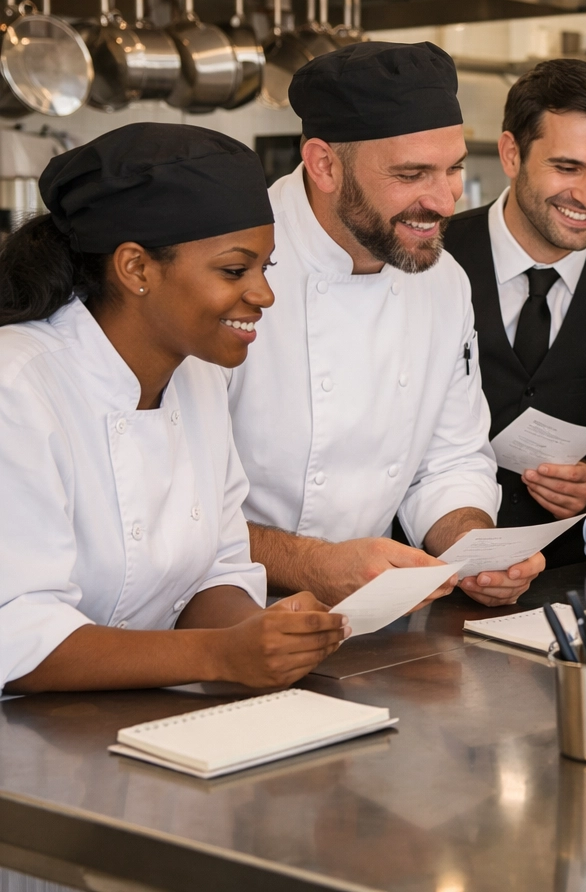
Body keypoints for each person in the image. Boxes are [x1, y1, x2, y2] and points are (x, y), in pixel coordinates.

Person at [0, 124, 346, 693]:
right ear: (136, 268)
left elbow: (218, 569)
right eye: (235, 270)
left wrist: (265, 634)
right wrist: (218, 655)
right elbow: (18, 634)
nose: (263, 294)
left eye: (267, 267)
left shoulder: (199, 379)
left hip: (130, 717)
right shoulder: (20, 387)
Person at [227, 41, 526, 608]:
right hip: (220, 614)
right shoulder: (229, 272)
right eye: (412, 174)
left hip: (372, 615)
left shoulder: (443, 281)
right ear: (324, 165)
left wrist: (473, 548)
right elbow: (171, 505)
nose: (443, 200)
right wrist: (315, 563)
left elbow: (449, 458)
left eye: (454, 168)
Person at [442, 59, 586, 569]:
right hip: (427, 572)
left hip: (579, 579)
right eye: (567, 168)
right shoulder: (428, 264)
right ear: (511, 154)